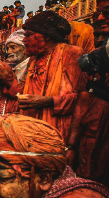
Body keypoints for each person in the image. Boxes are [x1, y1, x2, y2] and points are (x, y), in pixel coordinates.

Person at [18, 11, 82, 141]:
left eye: (28, 35)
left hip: (55, 132)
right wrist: (5, 76)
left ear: (46, 37)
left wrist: (46, 101)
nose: (24, 40)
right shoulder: (33, 59)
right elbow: (22, 92)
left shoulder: (71, 54)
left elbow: (80, 99)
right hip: (29, 130)